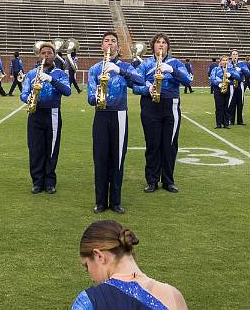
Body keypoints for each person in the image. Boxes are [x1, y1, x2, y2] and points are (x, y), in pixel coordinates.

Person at [72, 220, 188, 310]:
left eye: (87, 266)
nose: (92, 278)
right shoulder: (174, 295)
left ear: (99, 256)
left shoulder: (89, 301)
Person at [87, 31, 144, 214]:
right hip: (101, 115)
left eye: (113, 41)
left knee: (117, 159)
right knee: (100, 158)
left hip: (119, 115)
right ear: (101, 46)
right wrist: (97, 97)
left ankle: (116, 201)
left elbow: (140, 80)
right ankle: (100, 201)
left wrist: (120, 70)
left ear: (118, 47)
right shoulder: (95, 69)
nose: (109, 44)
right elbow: (89, 97)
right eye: (106, 41)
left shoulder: (124, 66)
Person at [132, 33, 191, 194]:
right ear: (153, 46)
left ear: (168, 47)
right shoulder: (145, 64)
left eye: (164, 42)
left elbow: (187, 81)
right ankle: (152, 180)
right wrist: (147, 88)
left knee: (170, 145)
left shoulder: (176, 63)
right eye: (158, 42)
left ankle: (168, 181)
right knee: (153, 145)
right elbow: (135, 85)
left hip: (170, 106)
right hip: (150, 106)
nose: (161, 45)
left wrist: (172, 71)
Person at [20, 42, 71, 194]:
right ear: (39, 55)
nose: (46, 55)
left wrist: (50, 79)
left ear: (54, 55)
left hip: (53, 114)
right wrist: (27, 97)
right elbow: (23, 93)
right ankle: (37, 181)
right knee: (35, 149)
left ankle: (49, 181)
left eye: (49, 53)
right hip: (35, 114)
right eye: (43, 53)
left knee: (51, 149)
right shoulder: (31, 74)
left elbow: (67, 91)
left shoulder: (61, 73)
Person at [227, 49, 250, 126]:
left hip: (240, 84)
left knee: (240, 102)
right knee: (232, 102)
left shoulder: (242, 64)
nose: (235, 56)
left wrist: (241, 69)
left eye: (236, 54)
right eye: (233, 54)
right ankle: (231, 119)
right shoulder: (228, 64)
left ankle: (240, 120)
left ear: (238, 56)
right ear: (231, 56)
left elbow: (248, 73)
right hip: (231, 84)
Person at [210, 56, 231, 128]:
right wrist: (219, 84)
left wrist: (230, 78)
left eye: (226, 60)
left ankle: (226, 123)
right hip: (218, 89)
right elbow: (212, 79)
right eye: (223, 60)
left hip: (227, 89)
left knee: (226, 107)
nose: (225, 62)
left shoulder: (230, 70)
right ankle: (218, 123)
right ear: (220, 61)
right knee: (219, 107)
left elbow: (237, 78)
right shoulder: (215, 69)